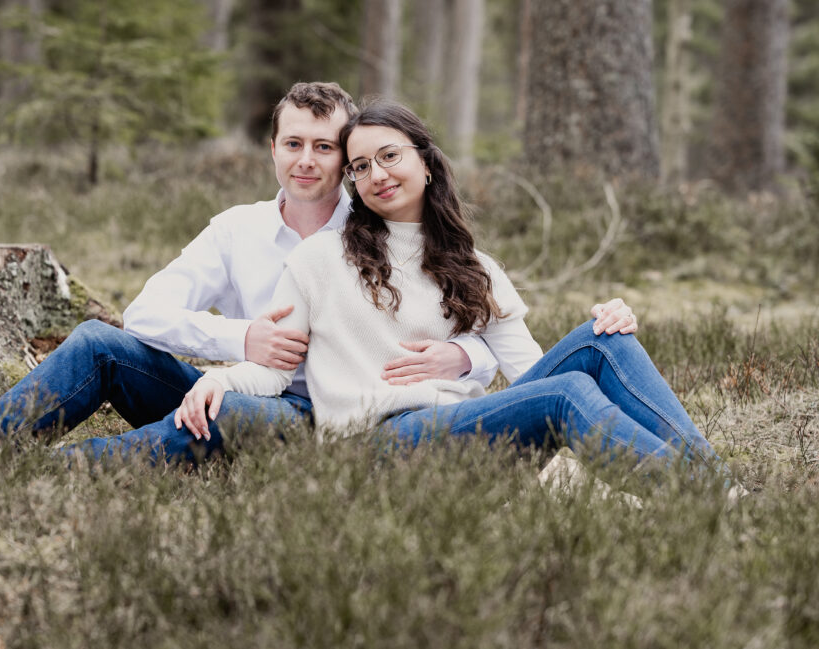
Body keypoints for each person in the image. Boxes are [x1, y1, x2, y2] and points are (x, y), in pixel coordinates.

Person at [0, 83, 640, 465]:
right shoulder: (237, 228)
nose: (308, 160)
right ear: (273, 149)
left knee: (232, 413)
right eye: (292, 144)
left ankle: (73, 468)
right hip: (247, 377)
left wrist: (466, 352)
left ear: (349, 156)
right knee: (102, 345)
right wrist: (238, 341)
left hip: (325, 413)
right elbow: (149, 312)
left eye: (327, 147)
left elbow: (462, 312)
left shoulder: (375, 226)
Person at [174, 100, 725, 476]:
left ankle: (717, 486)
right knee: (566, 396)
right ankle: (695, 495)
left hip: (464, 428)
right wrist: (221, 379)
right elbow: (276, 364)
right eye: (360, 167)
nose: (376, 175)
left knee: (605, 342)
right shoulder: (321, 256)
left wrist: (612, 316)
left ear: (426, 162)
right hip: (377, 444)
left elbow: (528, 375)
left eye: (389, 156)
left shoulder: (476, 268)